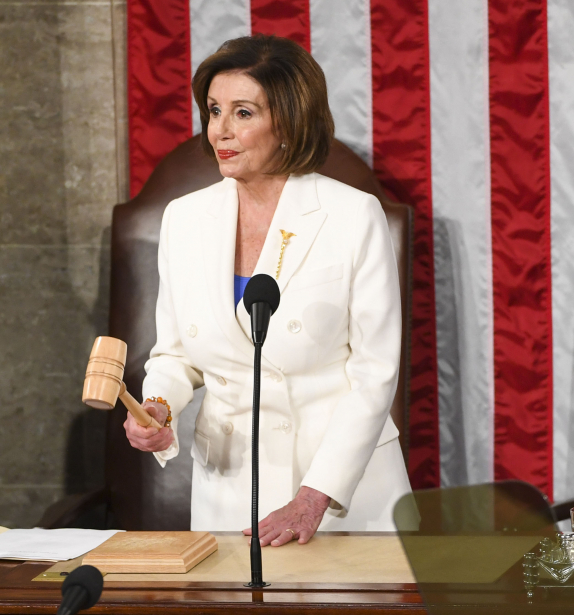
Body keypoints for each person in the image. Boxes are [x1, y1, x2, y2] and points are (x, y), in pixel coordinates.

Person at [124, 34, 411, 545]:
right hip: (230, 490)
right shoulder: (184, 218)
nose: (221, 131)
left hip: (342, 493)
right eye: (214, 111)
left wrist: (313, 496)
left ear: (288, 121)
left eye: (243, 113)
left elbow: (375, 372)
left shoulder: (352, 215)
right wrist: (159, 407)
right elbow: (174, 355)